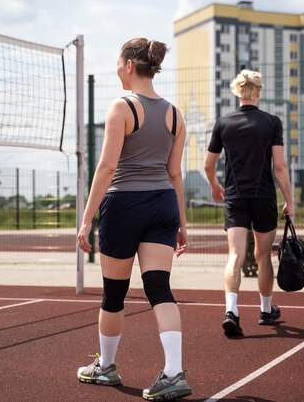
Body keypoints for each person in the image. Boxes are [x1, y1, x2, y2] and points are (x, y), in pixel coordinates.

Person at [76, 37, 192, 401]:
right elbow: (175, 174)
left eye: (117, 63)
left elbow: (108, 166)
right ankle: (173, 373)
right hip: (163, 204)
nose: (116, 69)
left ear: (129, 65)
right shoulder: (175, 114)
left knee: (114, 293)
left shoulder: (121, 108)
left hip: (125, 204)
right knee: (159, 289)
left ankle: (106, 368)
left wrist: (86, 219)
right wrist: (182, 224)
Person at [204, 69, 294, 337]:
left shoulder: (224, 123)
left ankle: (232, 311)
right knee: (263, 255)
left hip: (235, 196)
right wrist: (290, 201)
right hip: (264, 196)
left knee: (235, 255)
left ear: (237, 92)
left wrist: (215, 186)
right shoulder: (272, 122)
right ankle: (266, 310)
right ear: (258, 91)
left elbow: (209, 164)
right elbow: (279, 167)